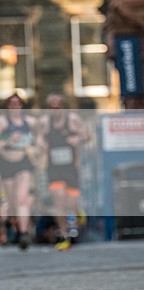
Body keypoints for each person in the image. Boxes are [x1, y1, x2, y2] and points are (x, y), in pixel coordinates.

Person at [39, 93, 90, 251]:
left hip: (71, 168)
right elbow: (38, 139)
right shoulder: (45, 122)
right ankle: (64, 235)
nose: (55, 109)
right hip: (54, 169)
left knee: (71, 202)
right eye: (52, 106)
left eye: (58, 105)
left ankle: (76, 215)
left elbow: (87, 135)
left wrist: (77, 139)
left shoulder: (72, 120)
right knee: (58, 199)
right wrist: (41, 145)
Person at [0, 93, 42, 250]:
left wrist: (35, 148)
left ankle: (23, 234)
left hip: (24, 161)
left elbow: (40, 141)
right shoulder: (3, 122)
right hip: (6, 162)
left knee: (22, 198)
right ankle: (13, 226)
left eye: (18, 102)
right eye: (11, 103)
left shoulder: (30, 122)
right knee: (11, 202)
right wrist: (7, 141)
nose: (15, 105)